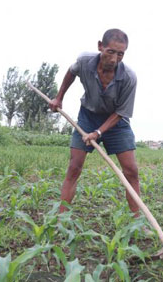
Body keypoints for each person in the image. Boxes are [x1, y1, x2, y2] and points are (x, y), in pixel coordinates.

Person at [49, 29, 141, 219]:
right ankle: (60, 218)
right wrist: (59, 98)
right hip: (88, 116)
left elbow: (121, 113)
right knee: (74, 166)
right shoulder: (84, 61)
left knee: (131, 171)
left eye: (120, 54)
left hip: (117, 121)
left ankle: (137, 220)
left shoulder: (129, 78)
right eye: (111, 52)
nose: (115, 59)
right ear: (100, 46)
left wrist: (98, 133)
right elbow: (71, 72)